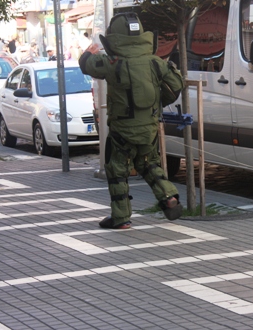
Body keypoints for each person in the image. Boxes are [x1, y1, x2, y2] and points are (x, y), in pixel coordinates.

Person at [78, 12, 184, 230]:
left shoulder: (112, 62)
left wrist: (89, 52)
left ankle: (121, 217)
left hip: (122, 129)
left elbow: (86, 65)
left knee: (117, 170)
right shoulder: (155, 62)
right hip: (149, 127)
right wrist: (156, 104)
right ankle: (169, 197)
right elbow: (176, 85)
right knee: (149, 164)